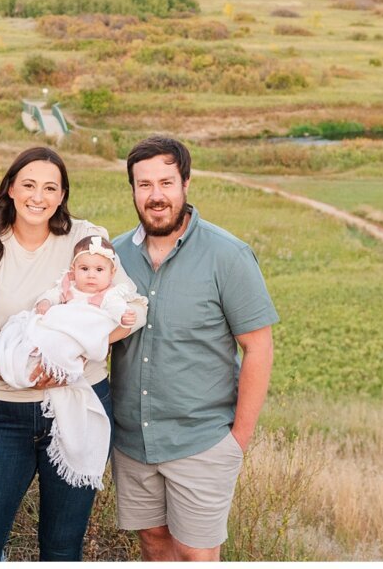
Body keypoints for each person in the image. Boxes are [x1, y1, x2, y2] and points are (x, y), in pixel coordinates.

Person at [0, 146, 144, 561]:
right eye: (29, 185)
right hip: (3, 413)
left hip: (77, 402)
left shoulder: (85, 239)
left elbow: (134, 309)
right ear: (11, 189)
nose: (39, 196)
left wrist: (74, 348)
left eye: (50, 187)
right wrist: (31, 370)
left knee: (62, 544)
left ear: (62, 195)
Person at [110, 135, 278, 561]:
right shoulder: (113, 258)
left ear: (186, 183)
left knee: (196, 555)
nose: (156, 195)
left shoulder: (228, 255)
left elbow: (258, 348)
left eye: (166, 183)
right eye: (144, 184)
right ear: (132, 189)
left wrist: (237, 440)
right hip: (133, 443)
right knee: (153, 544)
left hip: (202, 440)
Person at [0, 234, 148, 490]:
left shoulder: (109, 295)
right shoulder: (67, 285)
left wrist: (125, 315)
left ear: (111, 273)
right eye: (84, 269)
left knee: (57, 349)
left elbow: (117, 311)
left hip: (73, 335)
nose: (91, 275)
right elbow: (51, 296)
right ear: (73, 270)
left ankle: (17, 367)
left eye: (99, 270)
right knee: (18, 332)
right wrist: (45, 304)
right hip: (52, 327)